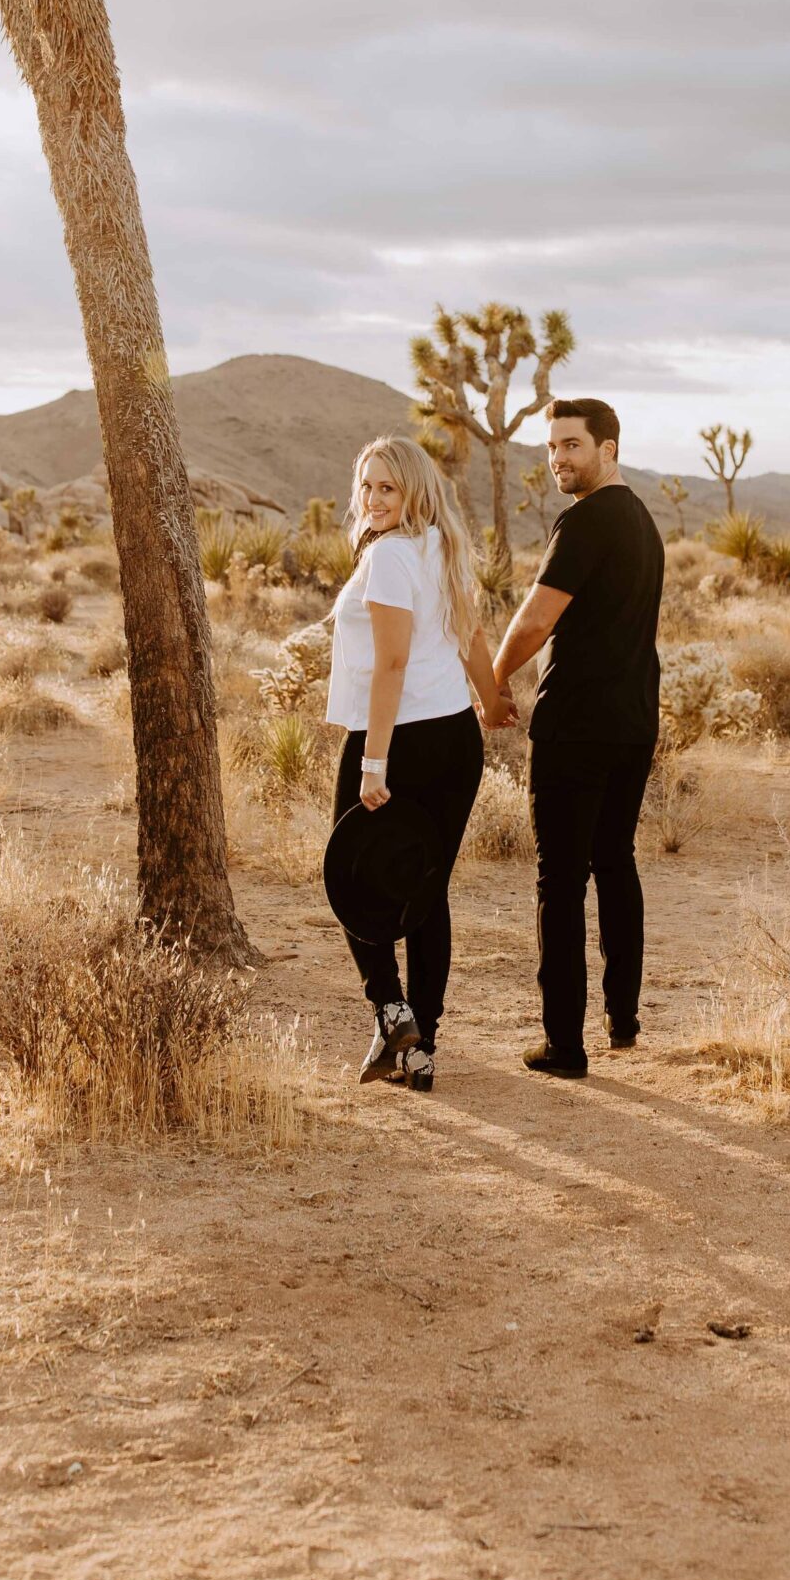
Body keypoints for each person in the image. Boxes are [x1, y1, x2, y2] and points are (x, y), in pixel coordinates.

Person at [324, 433, 504, 1092]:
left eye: (387, 488)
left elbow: (390, 663)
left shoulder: (393, 557)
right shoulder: (441, 547)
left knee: (350, 881)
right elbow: (471, 633)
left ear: (413, 492)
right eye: (366, 486)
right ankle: (419, 1044)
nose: (372, 500)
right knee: (424, 891)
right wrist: (492, 701)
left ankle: (390, 1009)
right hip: (455, 740)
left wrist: (374, 761)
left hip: (396, 739)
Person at [491, 397, 664, 1078]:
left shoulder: (587, 520)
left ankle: (563, 1043)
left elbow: (535, 622)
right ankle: (622, 1021)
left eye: (573, 446)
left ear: (608, 448)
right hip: (632, 721)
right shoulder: (641, 521)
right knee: (615, 863)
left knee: (558, 880)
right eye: (553, 447)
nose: (560, 459)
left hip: (578, 725)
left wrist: (493, 679)